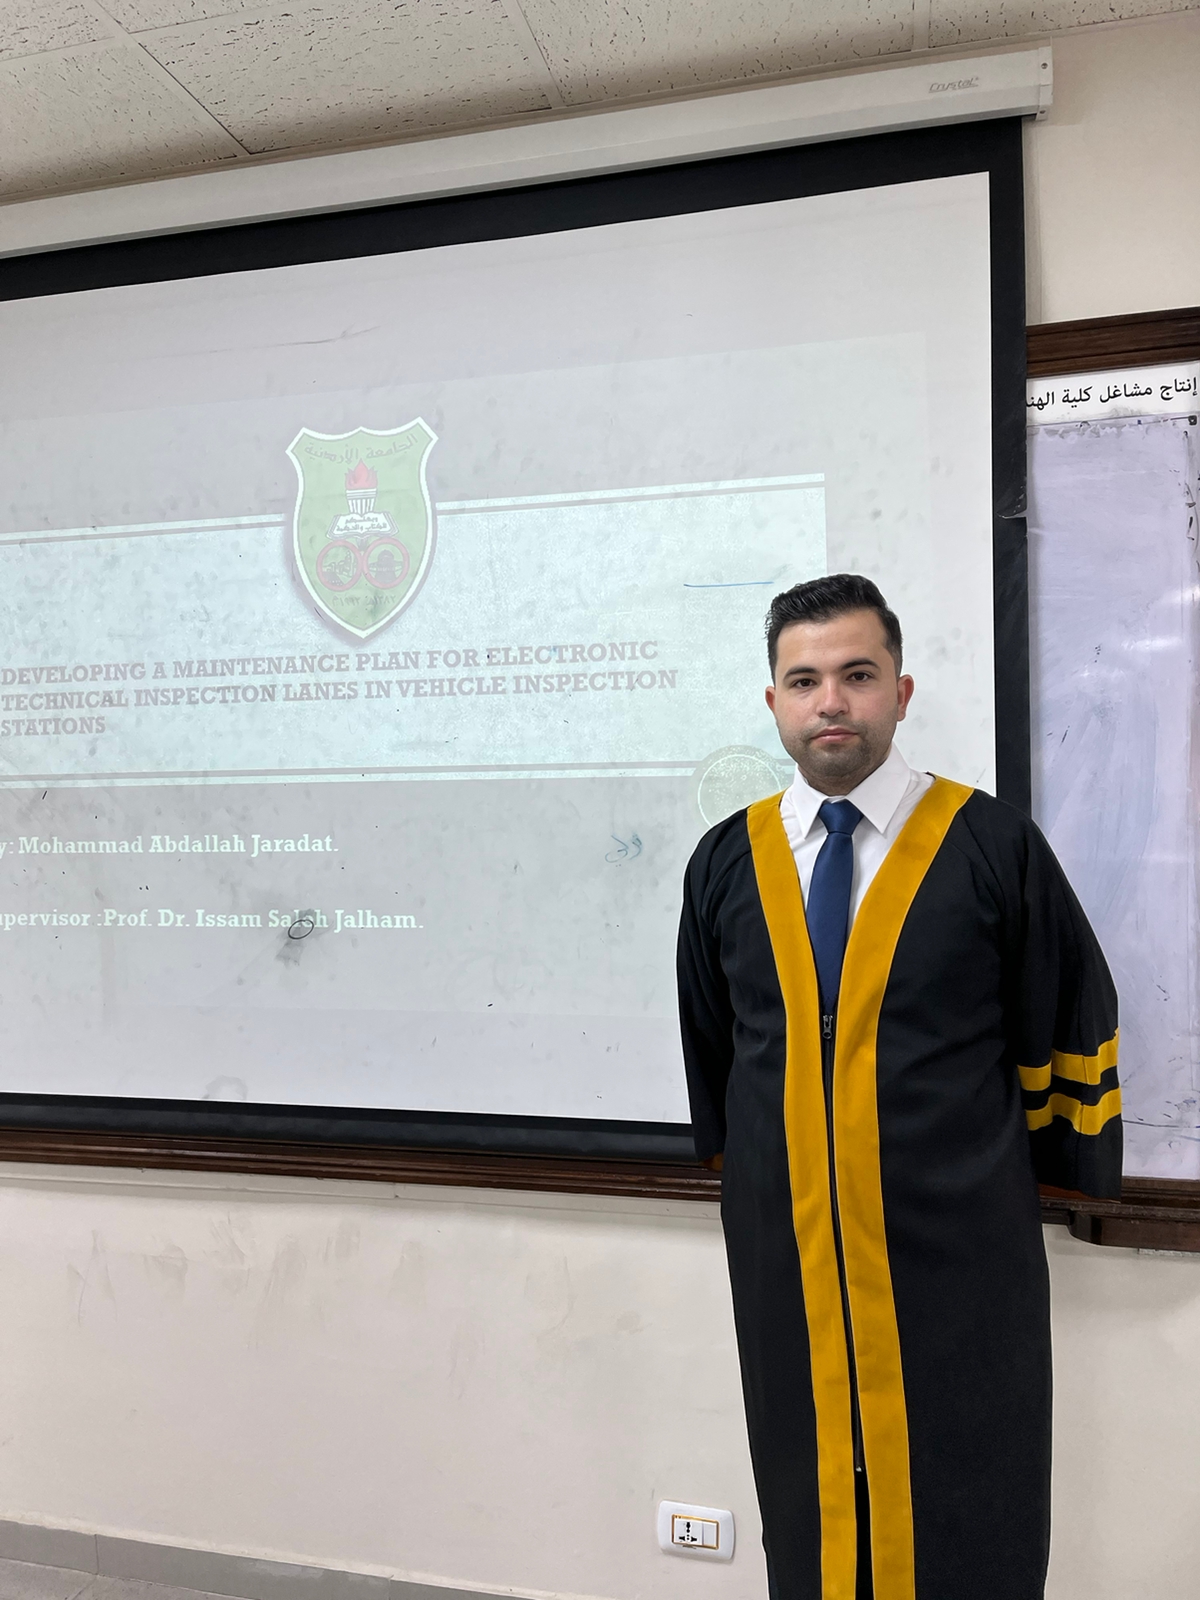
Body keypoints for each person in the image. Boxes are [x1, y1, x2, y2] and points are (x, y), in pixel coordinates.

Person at [677, 574, 1121, 1600]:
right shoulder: (726, 863)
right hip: (789, 1252)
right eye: (804, 680)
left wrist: (1038, 1175)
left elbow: (1063, 1016)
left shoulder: (990, 846)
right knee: (807, 1492)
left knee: (971, 1492)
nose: (831, 701)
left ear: (902, 691)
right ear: (775, 702)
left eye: (858, 674)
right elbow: (719, 1047)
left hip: (959, 1253)